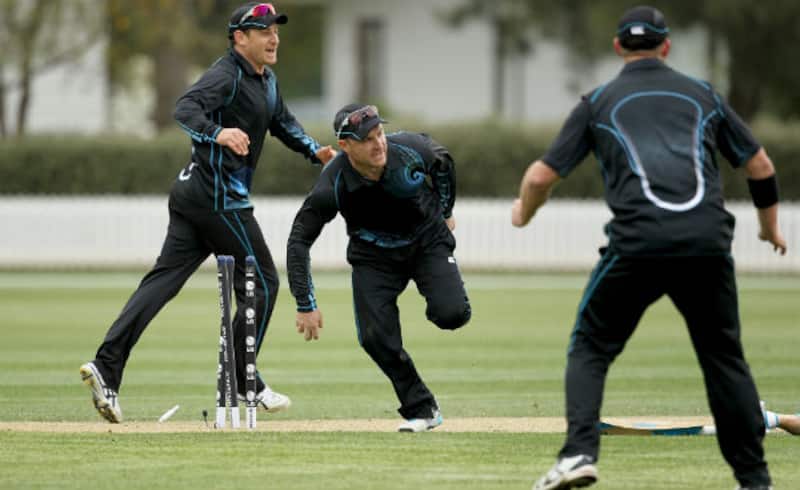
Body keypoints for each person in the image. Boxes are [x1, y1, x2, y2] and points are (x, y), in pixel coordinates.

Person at [511, 6, 787, 490]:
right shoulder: (704, 96)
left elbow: (539, 176)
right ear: (667, 46)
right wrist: (769, 230)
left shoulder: (599, 101)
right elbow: (760, 166)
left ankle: (578, 454)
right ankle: (755, 479)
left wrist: (522, 213)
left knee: (591, 346)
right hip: (706, 244)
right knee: (723, 358)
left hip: (638, 244)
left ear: (618, 48)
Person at [79, 2, 336, 423]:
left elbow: (282, 122)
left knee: (163, 282)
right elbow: (184, 109)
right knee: (265, 283)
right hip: (219, 198)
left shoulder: (266, 81)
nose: (273, 37)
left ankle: (106, 367)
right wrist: (219, 133)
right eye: (263, 31)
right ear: (239, 38)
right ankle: (242, 376)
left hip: (194, 196)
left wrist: (315, 151)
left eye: (275, 29)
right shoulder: (226, 75)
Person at [286, 103, 471, 432]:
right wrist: (305, 303)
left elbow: (443, 162)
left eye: (380, 133)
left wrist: (446, 210)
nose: (379, 143)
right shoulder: (333, 185)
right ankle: (422, 408)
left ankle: (441, 299)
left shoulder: (412, 150)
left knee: (452, 314)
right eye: (367, 139)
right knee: (375, 338)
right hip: (373, 255)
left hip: (427, 240)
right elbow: (299, 240)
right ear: (345, 146)